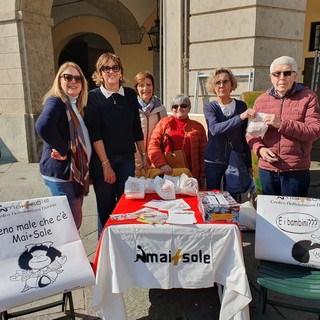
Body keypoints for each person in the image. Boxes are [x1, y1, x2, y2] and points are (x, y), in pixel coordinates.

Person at [84, 52, 147, 236]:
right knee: (105, 206)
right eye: (106, 68)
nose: (111, 71)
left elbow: (136, 129)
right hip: (103, 161)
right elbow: (95, 134)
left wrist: (143, 156)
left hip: (127, 159)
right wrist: (105, 165)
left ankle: (122, 244)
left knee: (125, 204)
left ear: (121, 72)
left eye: (115, 67)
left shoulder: (129, 95)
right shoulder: (93, 97)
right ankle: (104, 247)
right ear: (100, 73)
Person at [246, 56, 320, 197]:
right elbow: (251, 134)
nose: (281, 77)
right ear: (271, 77)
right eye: (277, 73)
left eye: (287, 73)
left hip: (295, 170)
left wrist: (281, 123)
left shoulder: (309, 97)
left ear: (295, 76)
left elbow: (314, 131)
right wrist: (260, 149)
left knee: (293, 216)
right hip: (267, 170)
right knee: (269, 215)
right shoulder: (261, 100)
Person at [35, 61, 91, 230]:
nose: (73, 81)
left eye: (78, 78)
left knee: (72, 223)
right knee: (70, 225)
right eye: (67, 77)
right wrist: (63, 150)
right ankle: (66, 256)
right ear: (59, 80)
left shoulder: (74, 105)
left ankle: (70, 256)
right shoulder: (56, 101)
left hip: (73, 173)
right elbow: (43, 125)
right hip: (61, 174)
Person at [203, 68, 255, 197]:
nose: (221, 85)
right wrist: (240, 117)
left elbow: (244, 137)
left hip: (236, 158)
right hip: (213, 159)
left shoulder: (241, 106)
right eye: (217, 82)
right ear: (213, 87)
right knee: (213, 196)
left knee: (233, 196)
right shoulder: (210, 107)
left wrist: (248, 164)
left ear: (231, 84)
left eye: (225, 81)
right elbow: (214, 129)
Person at [148, 94, 207, 187]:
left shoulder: (198, 127)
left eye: (183, 106)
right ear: (171, 109)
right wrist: (162, 164)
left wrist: (202, 176)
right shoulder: (164, 123)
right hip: (166, 175)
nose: (179, 108)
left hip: (189, 177)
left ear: (189, 108)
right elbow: (152, 146)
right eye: (175, 106)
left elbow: (203, 154)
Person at [133, 71, 167, 176]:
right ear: (136, 88)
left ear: (153, 87)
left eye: (148, 85)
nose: (145, 89)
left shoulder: (161, 109)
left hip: (155, 160)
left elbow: (165, 135)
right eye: (141, 85)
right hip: (135, 161)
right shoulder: (131, 108)